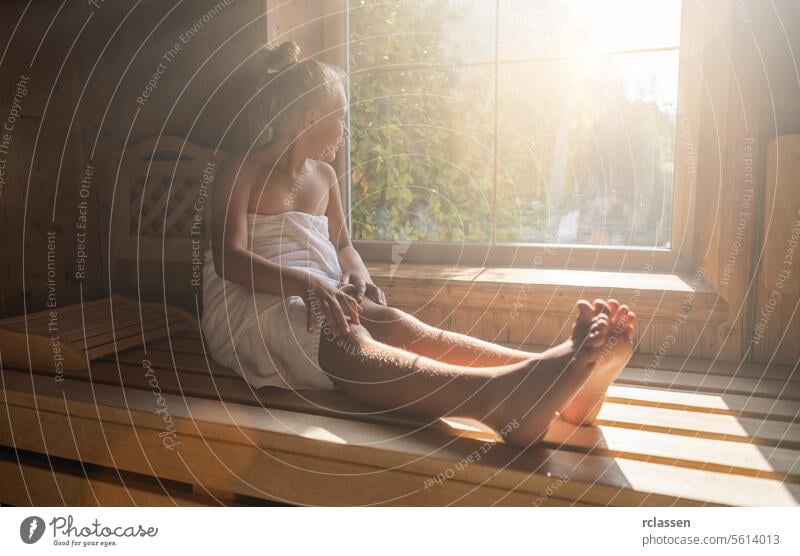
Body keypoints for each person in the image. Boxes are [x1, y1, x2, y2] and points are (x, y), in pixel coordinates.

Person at [201, 41, 636, 448]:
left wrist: (357, 274)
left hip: (317, 293)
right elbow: (228, 259)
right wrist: (309, 287)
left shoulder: (325, 178)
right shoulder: (241, 172)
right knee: (344, 336)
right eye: (342, 117)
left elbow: (345, 248)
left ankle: (564, 384)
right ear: (311, 118)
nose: (347, 131)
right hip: (250, 305)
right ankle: (499, 399)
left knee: (394, 322)